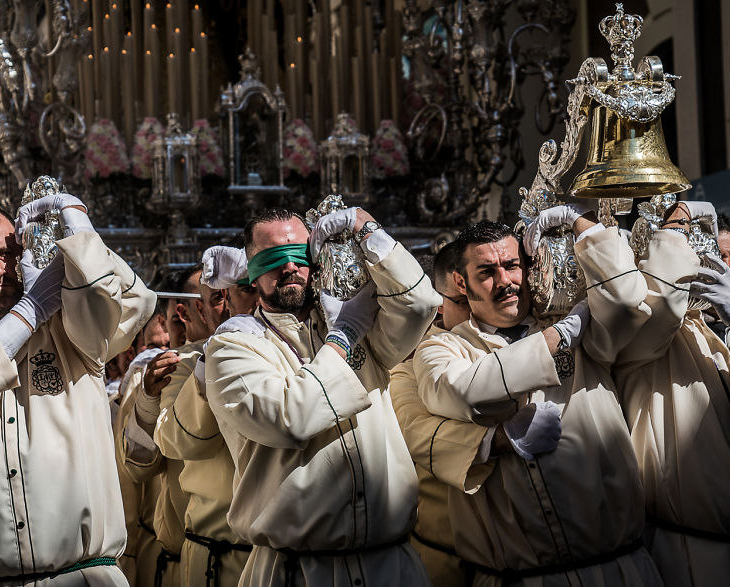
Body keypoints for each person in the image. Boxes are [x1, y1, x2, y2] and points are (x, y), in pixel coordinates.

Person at [0, 197, 155, 584]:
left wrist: (73, 220)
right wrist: (29, 311)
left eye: (7, 254)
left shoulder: (72, 331)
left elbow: (134, 300)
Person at [413, 210, 661, 585]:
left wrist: (579, 222)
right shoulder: (443, 347)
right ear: (461, 284)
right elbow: (461, 393)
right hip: (517, 576)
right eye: (487, 272)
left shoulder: (584, 332)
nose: (505, 281)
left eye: (512, 266)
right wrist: (558, 338)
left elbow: (626, 300)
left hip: (616, 569)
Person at [205, 207, 440, 586]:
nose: (289, 268)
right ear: (250, 271)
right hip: (298, 570)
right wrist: (343, 337)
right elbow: (289, 418)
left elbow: (422, 304)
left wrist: (366, 227)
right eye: (271, 259)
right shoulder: (233, 346)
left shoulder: (353, 318)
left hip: (390, 566)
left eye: (300, 255)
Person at [615, 201, 730, 586]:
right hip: (693, 558)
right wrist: (681, 215)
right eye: (716, 257)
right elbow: (660, 302)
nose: (728, 270)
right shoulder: (657, 335)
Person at [151, 245, 258, 586]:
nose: (227, 308)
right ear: (200, 308)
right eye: (216, 299)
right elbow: (173, 442)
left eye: (243, 290)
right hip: (218, 559)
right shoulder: (183, 364)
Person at [119, 264, 228, 586]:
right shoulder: (158, 373)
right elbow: (133, 474)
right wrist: (149, 398)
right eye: (213, 298)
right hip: (180, 559)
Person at [389, 240, 486, 586]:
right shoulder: (406, 368)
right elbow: (418, 434)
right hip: (442, 554)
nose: (477, 308)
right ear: (439, 305)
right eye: (462, 301)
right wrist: (497, 441)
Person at [113, 299, 170, 587]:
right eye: (151, 346)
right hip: (153, 551)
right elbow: (127, 483)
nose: (160, 353)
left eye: (168, 343)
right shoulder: (140, 377)